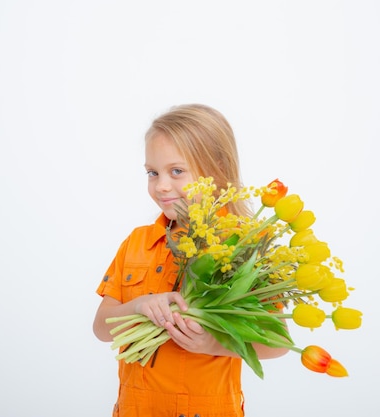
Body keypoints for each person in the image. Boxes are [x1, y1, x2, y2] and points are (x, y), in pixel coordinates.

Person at [93, 104, 289, 417]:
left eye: (177, 171)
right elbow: (101, 328)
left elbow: (277, 342)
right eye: (152, 173)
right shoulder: (138, 241)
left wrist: (213, 344)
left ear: (218, 168)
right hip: (135, 409)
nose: (162, 186)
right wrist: (138, 306)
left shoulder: (243, 245)